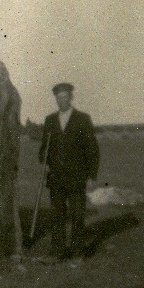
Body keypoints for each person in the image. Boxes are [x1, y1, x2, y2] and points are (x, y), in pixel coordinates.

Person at [39, 83, 100, 261]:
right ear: (56, 99)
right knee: (57, 216)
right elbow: (44, 148)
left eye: (65, 97)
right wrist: (43, 157)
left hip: (77, 177)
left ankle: (77, 253)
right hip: (56, 177)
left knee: (77, 215)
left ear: (71, 98)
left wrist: (91, 176)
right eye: (58, 98)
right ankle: (57, 252)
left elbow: (92, 150)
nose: (61, 101)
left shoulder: (82, 119)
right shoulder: (50, 120)